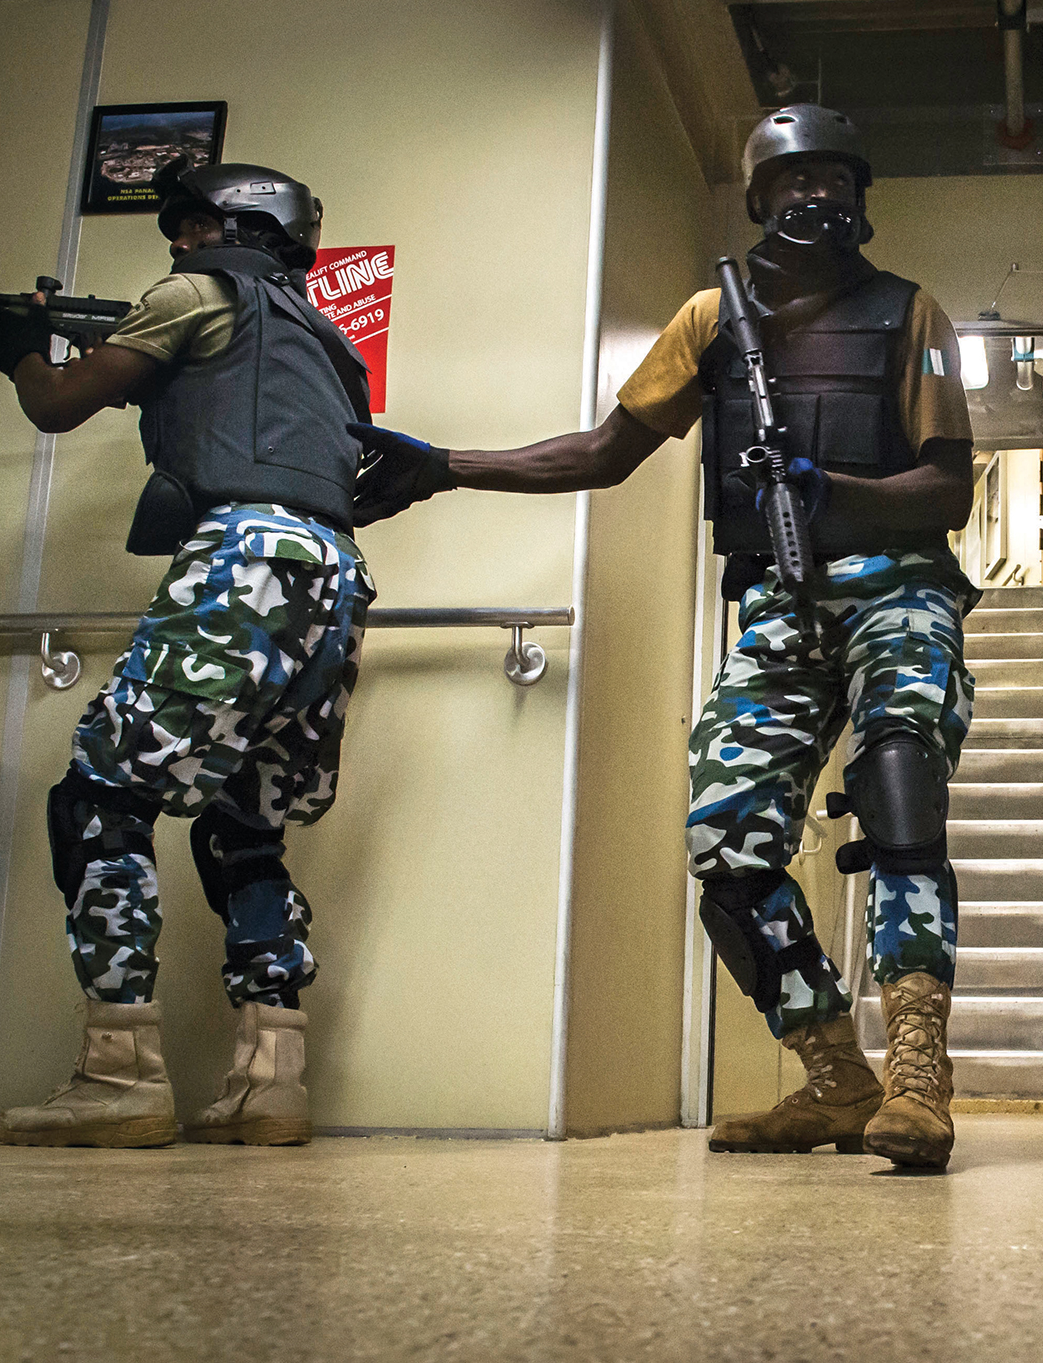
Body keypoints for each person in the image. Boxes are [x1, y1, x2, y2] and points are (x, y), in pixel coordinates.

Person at [349, 105, 978, 1170]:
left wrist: (843, 493)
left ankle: (918, 1072)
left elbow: (948, 487)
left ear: (861, 197)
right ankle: (834, 1076)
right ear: (758, 199)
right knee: (726, 845)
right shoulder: (708, 321)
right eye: (792, 182)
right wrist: (445, 465)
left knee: (900, 782)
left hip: (897, 589)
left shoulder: (909, 312)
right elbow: (604, 451)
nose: (814, 197)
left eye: (833, 178)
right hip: (778, 601)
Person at [0, 161, 374, 1148]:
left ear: (231, 227)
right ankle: (271, 1085)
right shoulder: (327, 342)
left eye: (191, 228)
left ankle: (120, 1077)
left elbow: (59, 405)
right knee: (248, 827)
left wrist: (27, 350)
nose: (179, 245)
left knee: (100, 799)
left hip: (243, 556)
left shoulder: (195, 292)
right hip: (334, 576)